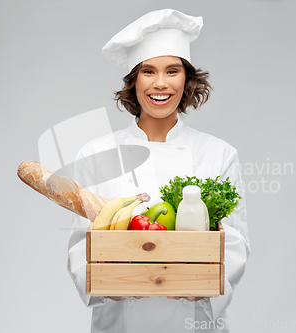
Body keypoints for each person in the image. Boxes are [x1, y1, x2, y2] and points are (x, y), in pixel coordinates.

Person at [67, 9, 250, 332]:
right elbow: (81, 247)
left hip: (193, 322)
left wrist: (195, 282)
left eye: (173, 70)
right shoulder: (96, 154)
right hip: (121, 322)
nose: (161, 84)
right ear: (134, 80)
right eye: (149, 71)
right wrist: (115, 280)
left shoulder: (218, 154)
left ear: (187, 78)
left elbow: (234, 244)